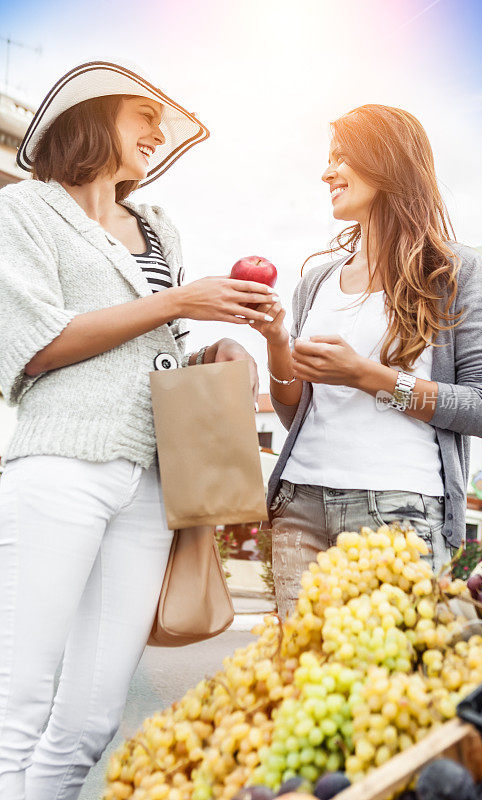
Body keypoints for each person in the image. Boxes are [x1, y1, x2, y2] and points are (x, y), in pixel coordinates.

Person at [0, 59, 277, 800]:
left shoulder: (158, 228)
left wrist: (216, 351)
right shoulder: (23, 213)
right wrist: (176, 302)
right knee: (12, 712)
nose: (159, 133)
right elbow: (36, 345)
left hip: (154, 484)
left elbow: (153, 349)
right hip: (62, 463)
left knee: (91, 721)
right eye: (144, 116)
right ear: (93, 118)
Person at [251, 104, 482, 618]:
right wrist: (278, 342)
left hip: (399, 509)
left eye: (343, 157)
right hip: (300, 503)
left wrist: (366, 376)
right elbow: (294, 413)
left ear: (387, 163)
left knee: (379, 681)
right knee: (300, 682)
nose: (327, 172)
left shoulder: (456, 273)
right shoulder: (316, 282)